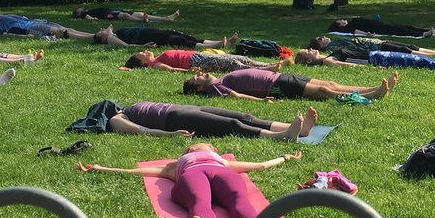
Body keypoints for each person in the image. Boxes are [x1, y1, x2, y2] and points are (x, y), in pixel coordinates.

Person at [76, 143, 304, 218]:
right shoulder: (175, 165)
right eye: (191, 147)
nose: (197, 145)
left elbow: (261, 165)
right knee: (199, 201)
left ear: (214, 149)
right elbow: (138, 172)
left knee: (238, 197)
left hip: (220, 172)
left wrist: (285, 157)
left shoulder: (222, 160)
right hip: (191, 174)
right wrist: (101, 168)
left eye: (204, 145)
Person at [106, 101, 317, 140]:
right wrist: (170, 134)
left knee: (245, 117)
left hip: (184, 108)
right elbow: (143, 131)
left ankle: (300, 130)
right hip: (173, 119)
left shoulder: (128, 107)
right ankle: (281, 136)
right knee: (231, 126)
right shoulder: (117, 120)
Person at [183, 69, 397, 101]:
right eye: (197, 79)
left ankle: (370, 89)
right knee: (325, 91)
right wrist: (260, 99)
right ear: (200, 88)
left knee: (331, 83)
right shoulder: (215, 88)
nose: (200, 74)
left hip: (280, 76)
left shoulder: (220, 79)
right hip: (276, 87)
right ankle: (371, 95)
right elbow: (235, 97)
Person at [295, 47, 435, 71]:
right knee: (419, 62)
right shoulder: (327, 60)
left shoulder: (327, 53)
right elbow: (347, 65)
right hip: (377, 59)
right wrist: (374, 69)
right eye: (307, 52)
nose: (311, 49)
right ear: (308, 61)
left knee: (417, 59)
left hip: (377, 54)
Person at [123, 49, 286, 73]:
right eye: (141, 54)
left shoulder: (156, 57)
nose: (145, 51)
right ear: (142, 63)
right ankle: (265, 70)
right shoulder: (154, 64)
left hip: (197, 55)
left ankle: (267, 65)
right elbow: (170, 69)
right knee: (232, 64)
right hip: (195, 62)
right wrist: (188, 71)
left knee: (238, 58)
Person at [93, 23, 235, 49]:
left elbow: (110, 27)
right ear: (102, 38)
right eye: (100, 32)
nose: (101, 29)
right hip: (146, 38)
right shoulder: (111, 38)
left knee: (184, 36)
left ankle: (222, 42)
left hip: (151, 32)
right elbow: (126, 46)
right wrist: (141, 46)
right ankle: (213, 45)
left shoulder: (115, 32)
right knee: (177, 40)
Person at [307, 35, 435, 58]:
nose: (325, 37)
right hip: (374, 48)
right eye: (322, 38)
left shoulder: (335, 42)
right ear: (320, 44)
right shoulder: (332, 48)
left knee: (409, 45)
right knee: (405, 50)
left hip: (376, 42)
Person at [328, 18, 435, 39]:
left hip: (379, 25)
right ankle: (423, 35)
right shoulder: (349, 26)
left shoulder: (351, 23)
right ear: (340, 25)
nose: (343, 19)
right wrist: (367, 34)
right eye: (341, 20)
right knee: (401, 31)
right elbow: (354, 32)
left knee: (406, 27)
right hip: (379, 28)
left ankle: (433, 31)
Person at [73, 6, 180, 22]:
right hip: (107, 14)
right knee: (125, 16)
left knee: (141, 13)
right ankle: (141, 21)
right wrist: (92, 19)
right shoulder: (83, 13)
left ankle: (166, 18)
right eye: (79, 9)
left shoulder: (87, 10)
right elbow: (87, 17)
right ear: (78, 13)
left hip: (114, 10)